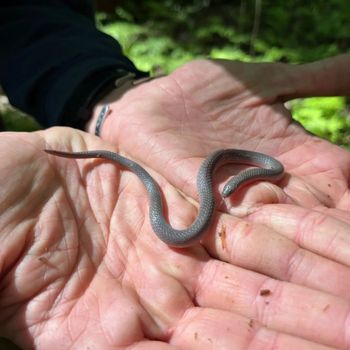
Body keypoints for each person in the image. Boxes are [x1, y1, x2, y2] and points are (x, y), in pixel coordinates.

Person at [1, 1, 350, 349]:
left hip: (63, 56)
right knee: (152, 184)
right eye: (227, 188)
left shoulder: (261, 171)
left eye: (229, 188)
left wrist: (100, 86)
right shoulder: (219, 181)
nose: (225, 192)